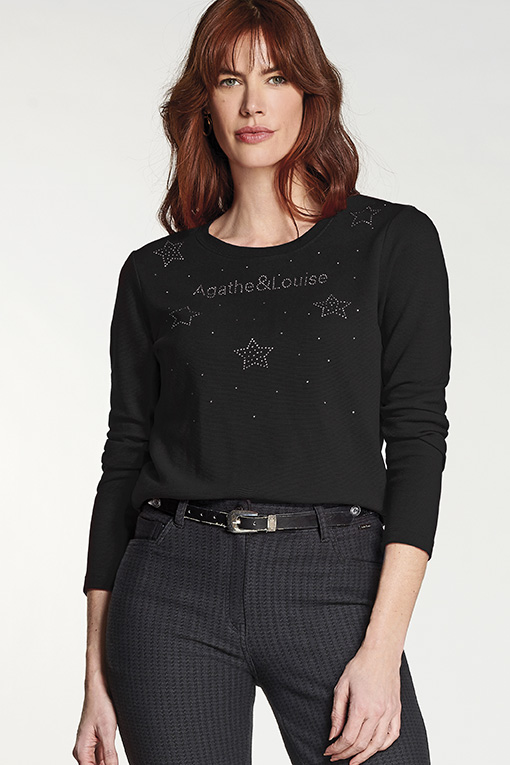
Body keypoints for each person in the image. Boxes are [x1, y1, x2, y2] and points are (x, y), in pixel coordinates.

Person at [73, 1, 451, 763]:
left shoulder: (391, 242)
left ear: (310, 94)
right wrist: (95, 673)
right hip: (171, 587)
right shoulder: (156, 274)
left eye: (275, 77)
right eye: (229, 80)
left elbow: (417, 444)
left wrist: (381, 650)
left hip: (334, 577)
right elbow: (123, 461)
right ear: (203, 104)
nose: (252, 103)